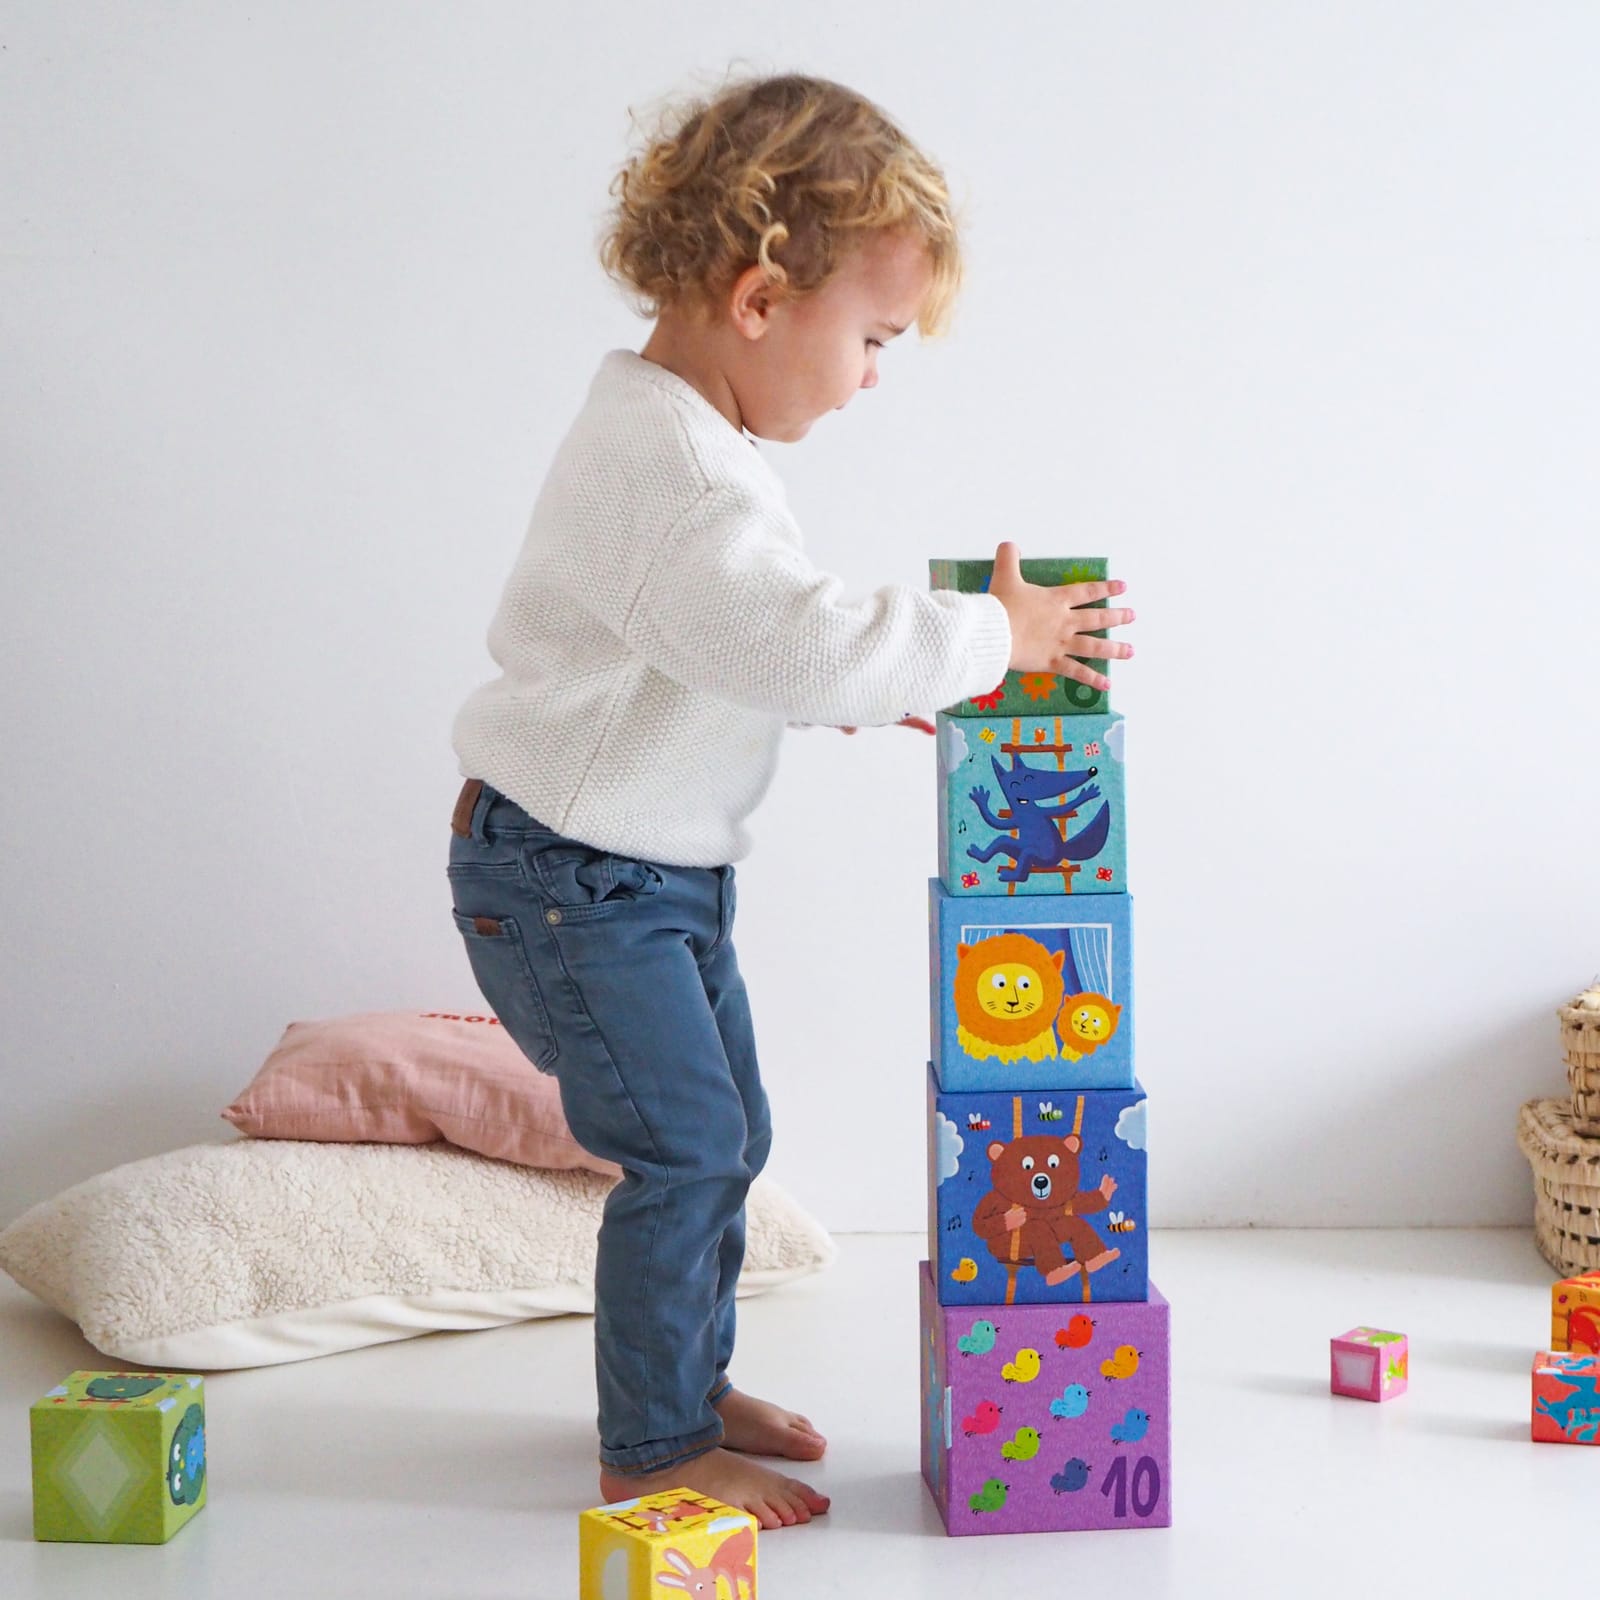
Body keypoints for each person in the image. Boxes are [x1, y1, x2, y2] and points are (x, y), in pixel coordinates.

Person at [446, 71, 1134, 1531]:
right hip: (574, 881)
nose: (876, 375)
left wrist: (870, 682)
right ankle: (653, 1446)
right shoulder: (681, 473)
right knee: (685, 1151)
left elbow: (732, 645)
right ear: (761, 301)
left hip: (635, 871)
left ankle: (678, 1384)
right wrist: (988, 642)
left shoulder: (684, 443)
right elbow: (789, 629)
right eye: (873, 339)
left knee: (727, 1134)